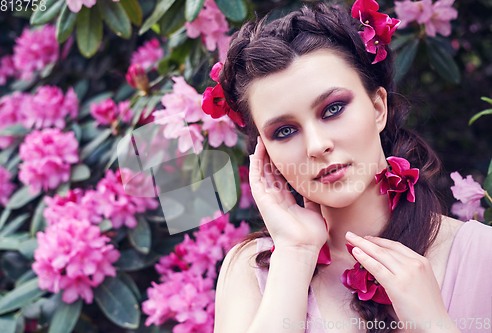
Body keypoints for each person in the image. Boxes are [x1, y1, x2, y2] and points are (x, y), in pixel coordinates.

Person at [205, 2, 492, 333]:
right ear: (266, 154)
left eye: (333, 109)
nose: (317, 145)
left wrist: (434, 325)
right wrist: (295, 254)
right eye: (284, 131)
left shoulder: (481, 255)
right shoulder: (252, 271)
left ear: (378, 107)